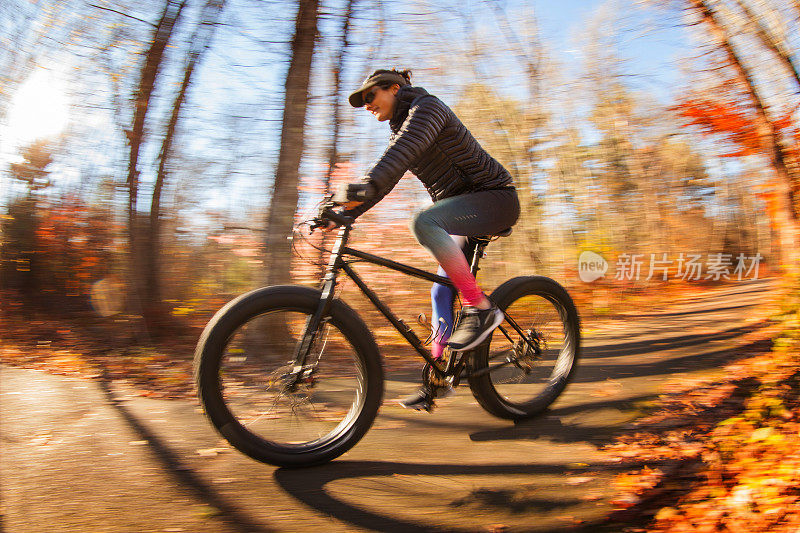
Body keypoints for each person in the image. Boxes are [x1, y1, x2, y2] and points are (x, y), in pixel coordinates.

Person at [336, 68, 520, 410]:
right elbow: (386, 178)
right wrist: (345, 213)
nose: (366, 105)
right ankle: (440, 377)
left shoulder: (427, 109)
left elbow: (400, 153)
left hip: (495, 199)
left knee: (423, 220)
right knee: (439, 289)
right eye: (362, 102)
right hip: (462, 211)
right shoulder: (402, 130)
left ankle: (480, 308)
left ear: (394, 88)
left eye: (370, 96)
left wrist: (361, 187)